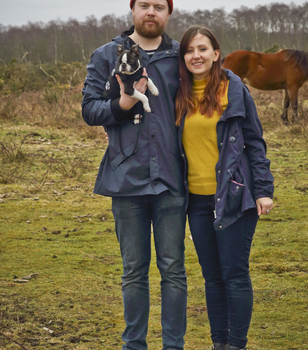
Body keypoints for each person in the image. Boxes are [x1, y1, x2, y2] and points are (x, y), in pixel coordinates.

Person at [81, 1, 187, 350]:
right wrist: (123, 106)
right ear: (133, 9)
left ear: (168, 12)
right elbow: (89, 109)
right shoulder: (106, 54)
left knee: (173, 271)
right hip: (126, 178)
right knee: (133, 272)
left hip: (171, 177)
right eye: (145, 5)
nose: (151, 12)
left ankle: (174, 346)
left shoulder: (180, 57)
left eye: (159, 6)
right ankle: (134, 346)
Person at [175, 26, 275, 350]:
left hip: (234, 194)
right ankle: (219, 344)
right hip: (197, 202)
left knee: (234, 273)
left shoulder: (234, 89)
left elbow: (255, 142)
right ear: (184, 57)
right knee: (212, 277)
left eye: (203, 49)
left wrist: (263, 189)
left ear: (216, 53)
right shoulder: (179, 93)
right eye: (190, 50)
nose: (196, 55)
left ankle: (237, 345)